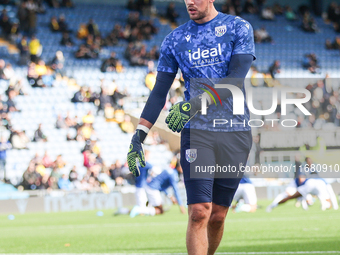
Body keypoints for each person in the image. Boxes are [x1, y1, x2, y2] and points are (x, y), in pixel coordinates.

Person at [127, 0, 255, 254]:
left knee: (218, 215)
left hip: (235, 131)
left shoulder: (238, 27)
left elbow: (235, 79)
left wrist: (197, 103)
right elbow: (159, 92)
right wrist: (138, 136)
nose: (190, 2)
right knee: (198, 212)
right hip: (197, 133)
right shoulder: (175, 39)